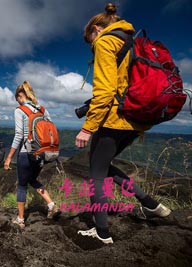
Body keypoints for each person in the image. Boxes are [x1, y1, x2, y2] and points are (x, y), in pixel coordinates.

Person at [75, 3, 171, 244]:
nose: (91, 46)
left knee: (96, 173)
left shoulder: (106, 42)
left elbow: (105, 91)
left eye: (90, 41)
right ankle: (150, 204)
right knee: (104, 166)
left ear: (96, 29)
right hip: (135, 121)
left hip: (114, 120)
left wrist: (88, 127)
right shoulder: (132, 41)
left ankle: (102, 233)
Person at [4, 81, 59, 229]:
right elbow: (50, 131)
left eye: (17, 99)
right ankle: (51, 204)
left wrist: (9, 157)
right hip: (43, 153)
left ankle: (20, 219)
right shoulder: (42, 110)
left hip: (26, 153)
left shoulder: (20, 110)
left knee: (22, 185)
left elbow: (19, 136)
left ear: (20, 96)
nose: (17, 102)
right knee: (32, 179)